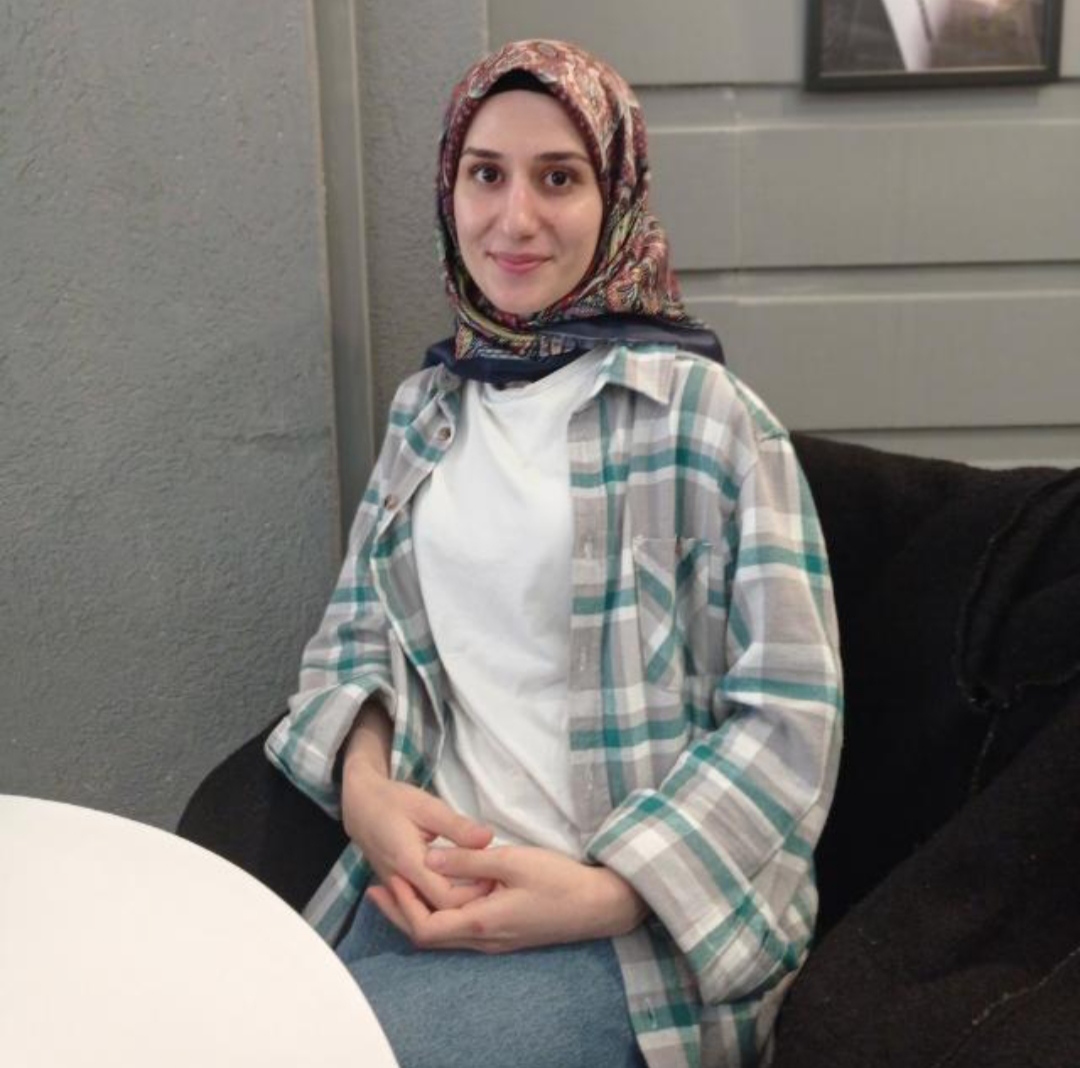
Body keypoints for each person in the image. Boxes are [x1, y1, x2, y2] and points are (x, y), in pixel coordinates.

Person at [266, 39, 842, 1068]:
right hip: (425, 890)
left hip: (638, 940)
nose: (515, 218)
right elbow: (356, 635)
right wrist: (363, 786)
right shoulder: (427, 413)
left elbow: (792, 715)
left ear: (617, 197)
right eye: (486, 174)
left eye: (559, 178)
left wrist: (611, 891)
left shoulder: (706, 421)